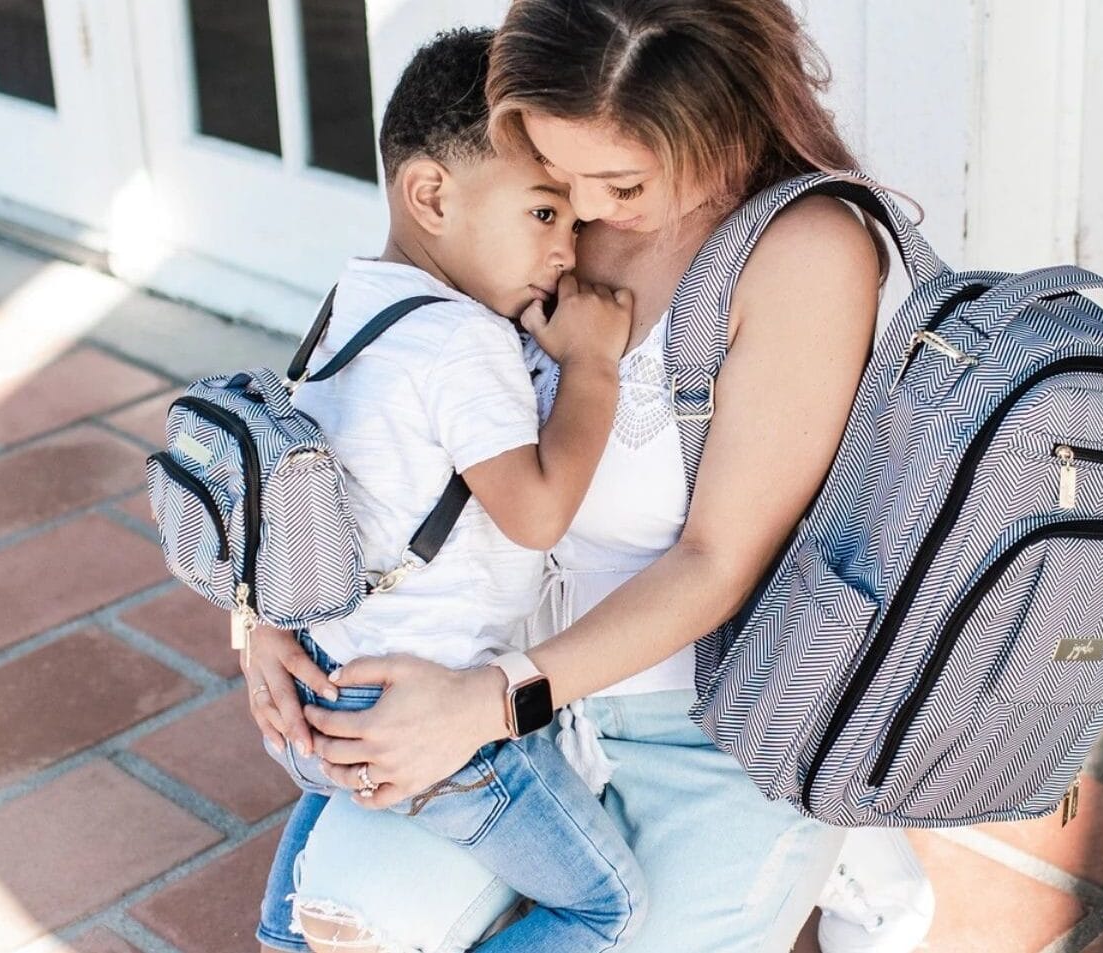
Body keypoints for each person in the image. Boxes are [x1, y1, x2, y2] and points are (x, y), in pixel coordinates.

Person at [250, 2, 919, 950]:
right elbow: (369, 402)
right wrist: (267, 612)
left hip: (698, 728)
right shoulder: (523, 172)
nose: (586, 217)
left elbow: (717, 560)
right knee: (346, 929)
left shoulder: (804, 250)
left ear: (718, 117)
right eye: (558, 183)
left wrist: (490, 700)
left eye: (619, 181)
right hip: (491, 692)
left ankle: (838, 841)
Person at [249, 26, 650, 953]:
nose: (570, 246)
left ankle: (282, 934)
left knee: (311, 872)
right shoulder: (461, 340)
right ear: (431, 193)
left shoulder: (346, 305)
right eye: (545, 213)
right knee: (609, 909)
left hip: (324, 696)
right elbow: (536, 510)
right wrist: (591, 366)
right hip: (438, 730)